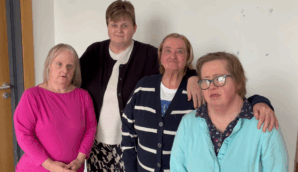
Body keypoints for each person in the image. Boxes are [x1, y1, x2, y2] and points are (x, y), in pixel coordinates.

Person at [122, 34, 278, 172]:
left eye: (180, 51)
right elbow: (127, 130)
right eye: (167, 50)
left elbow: (231, 101)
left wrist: (260, 102)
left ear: (188, 57)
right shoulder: (143, 86)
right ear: (160, 55)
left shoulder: (199, 89)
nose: (173, 56)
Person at [80, 1, 200, 171]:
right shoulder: (94, 52)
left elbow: (174, 65)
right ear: (107, 26)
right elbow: (72, 77)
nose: (119, 30)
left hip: (129, 146)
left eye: (125, 25)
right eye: (114, 25)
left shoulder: (149, 54)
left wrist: (193, 77)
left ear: (135, 28)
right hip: (97, 144)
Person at [170, 52, 288, 172]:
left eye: (219, 79)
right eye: (205, 81)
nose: (212, 86)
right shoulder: (188, 123)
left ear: (239, 82)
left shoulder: (264, 124)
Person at [14, 44, 97, 172]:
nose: (64, 70)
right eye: (59, 64)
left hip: (73, 169)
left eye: (70, 66)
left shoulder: (83, 96)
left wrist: (79, 160)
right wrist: (50, 165)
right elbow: (24, 135)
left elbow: (90, 129)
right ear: (49, 66)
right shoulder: (32, 96)